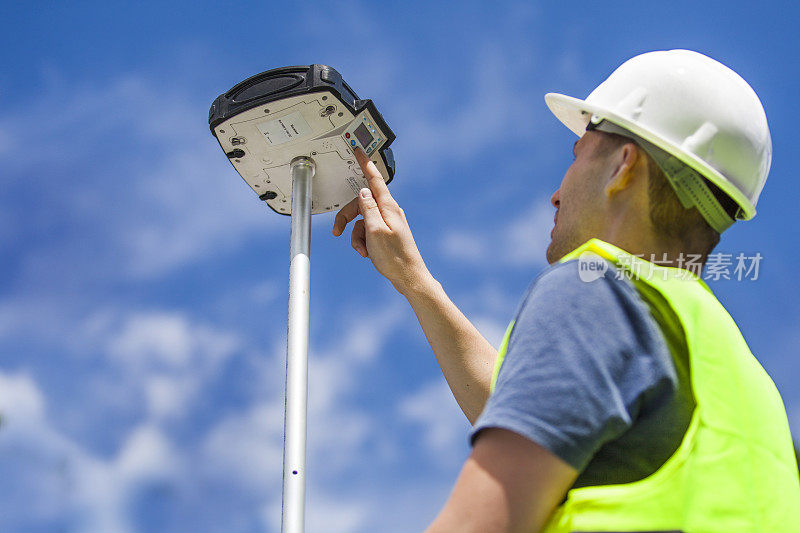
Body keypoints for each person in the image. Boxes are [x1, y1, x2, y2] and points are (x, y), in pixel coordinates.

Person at [332, 50, 800, 532]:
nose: (555, 194)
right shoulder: (742, 386)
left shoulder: (596, 292)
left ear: (624, 165)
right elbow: (538, 404)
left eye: (578, 156)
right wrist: (415, 282)